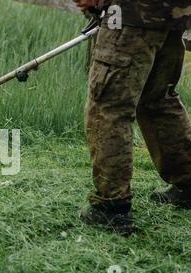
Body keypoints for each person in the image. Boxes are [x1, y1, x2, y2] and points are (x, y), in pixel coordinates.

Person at [73, 0, 191, 235]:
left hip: (131, 12)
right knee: (158, 100)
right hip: (171, 12)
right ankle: (188, 183)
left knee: (109, 106)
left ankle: (111, 206)